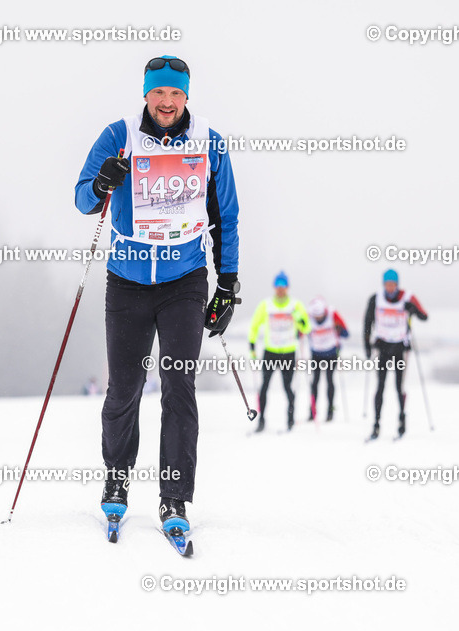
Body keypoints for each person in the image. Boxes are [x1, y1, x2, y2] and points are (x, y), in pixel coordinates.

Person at [75, 55, 240, 538]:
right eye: (159, 92)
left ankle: (174, 496)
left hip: (184, 280)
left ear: (187, 96)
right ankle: (117, 481)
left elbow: (226, 216)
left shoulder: (209, 141)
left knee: (178, 386)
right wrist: (102, 182)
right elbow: (83, 199)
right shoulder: (118, 136)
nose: (167, 102)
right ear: (146, 93)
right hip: (127, 280)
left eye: (176, 93)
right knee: (124, 388)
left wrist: (227, 285)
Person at [362, 269, 428, 440]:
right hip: (382, 346)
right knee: (380, 386)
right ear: (383, 284)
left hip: (400, 347)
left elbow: (424, 316)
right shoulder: (375, 298)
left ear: (397, 284)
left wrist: (412, 309)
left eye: (393, 284)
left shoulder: (407, 297)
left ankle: (401, 420)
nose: (390, 287)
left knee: (399, 386)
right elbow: (367, 322)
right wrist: (367, 345)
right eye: (387, 284)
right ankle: (376, 424)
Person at [248, 271, 311, 432]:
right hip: (270, 352)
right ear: (274, 287)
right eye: (278, 286)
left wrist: (298, 317)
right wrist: (252, 345)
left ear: (287, 287)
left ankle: (290, 420)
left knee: (287, 387)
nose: (281, 289)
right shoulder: (266, 305)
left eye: (283, 286)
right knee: (264, 387)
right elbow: (254, 325)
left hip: (288, 352)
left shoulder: (295, 305)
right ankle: (261, 420)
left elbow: (306, 327)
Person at [307, 296, 349, 422]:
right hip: (316, 353)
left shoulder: (332, 314)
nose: (318, 318)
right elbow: (300, 332)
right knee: (315, 382)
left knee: (329, 380)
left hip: (331, 353)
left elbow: (346, 333)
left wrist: (339, 329)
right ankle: (312, 411)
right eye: (316, 316)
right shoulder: (308, 316)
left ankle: (330, 411)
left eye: (320, 316)